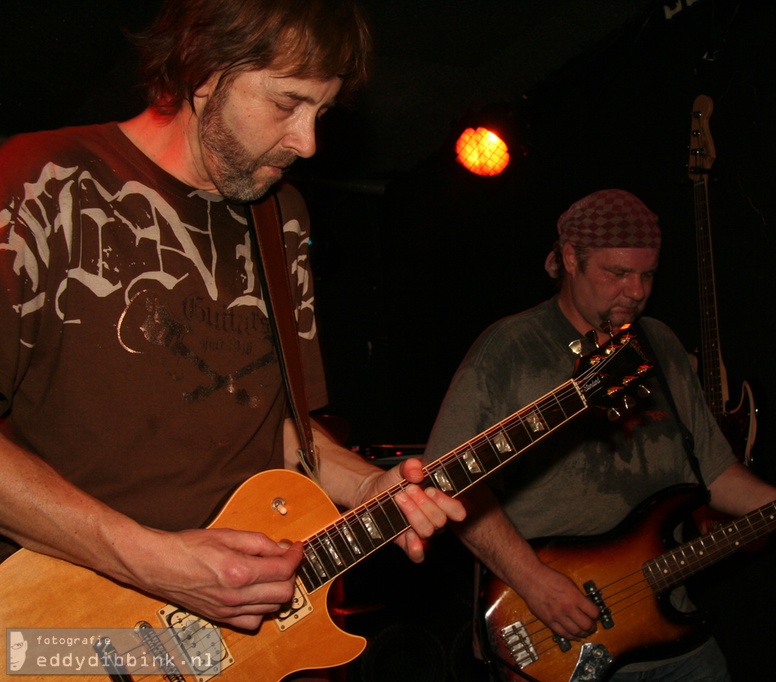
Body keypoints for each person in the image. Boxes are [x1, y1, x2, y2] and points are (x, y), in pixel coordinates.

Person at [0, 0, 464, 646]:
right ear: (205, 69)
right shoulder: (40, 181)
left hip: (233, 649)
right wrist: (156, 563)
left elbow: (274, 428)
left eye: (321, 114)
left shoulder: (283, 218)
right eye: (287, 104)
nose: (308, 142)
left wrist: (369, 486)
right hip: (64, 635)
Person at [422, 188, 776, 681]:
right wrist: (534, 581)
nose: (637, 291)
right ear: (570, 258)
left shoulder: (659, 343)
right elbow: (444, 483)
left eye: (646, 275)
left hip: (670, 634)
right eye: (617, 273)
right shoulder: (510, 349)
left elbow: (714, 471)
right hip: (555, 635)